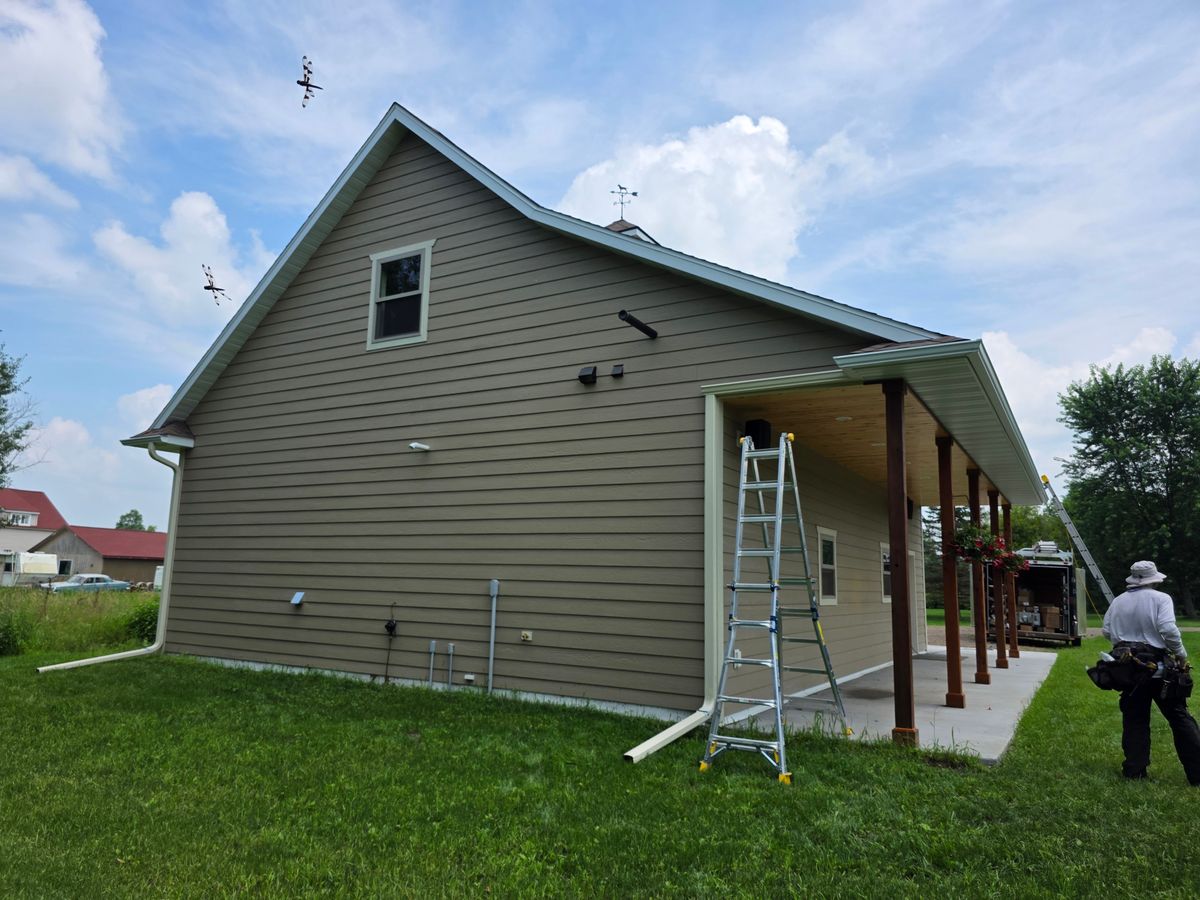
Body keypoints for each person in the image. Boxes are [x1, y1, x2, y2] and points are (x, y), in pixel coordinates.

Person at [1102, 560, 1200, 783]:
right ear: (1154, 580)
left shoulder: (1118, 601)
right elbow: (1167, 628)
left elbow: (1107, 631)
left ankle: (1135, 771)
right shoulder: (1161, 599)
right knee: (1179, 717)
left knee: (1135, 719)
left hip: (1128, 671)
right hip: (1157, 668)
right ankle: (1197, 773)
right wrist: (1181, 654)